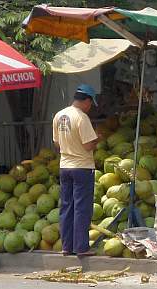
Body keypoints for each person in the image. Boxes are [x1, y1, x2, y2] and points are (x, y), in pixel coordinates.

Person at [52, 84, 99, 257]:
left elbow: (57, 144)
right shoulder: (82, 117)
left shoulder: (59, 115)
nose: (90, 106)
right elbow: (88, 145)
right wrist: (97, 139)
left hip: (65, 166)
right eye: (90, 103)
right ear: (86, 100)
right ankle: (81, 247)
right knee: (82, 208)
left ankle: (66, 247)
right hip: (82, 168)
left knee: (66, 207)